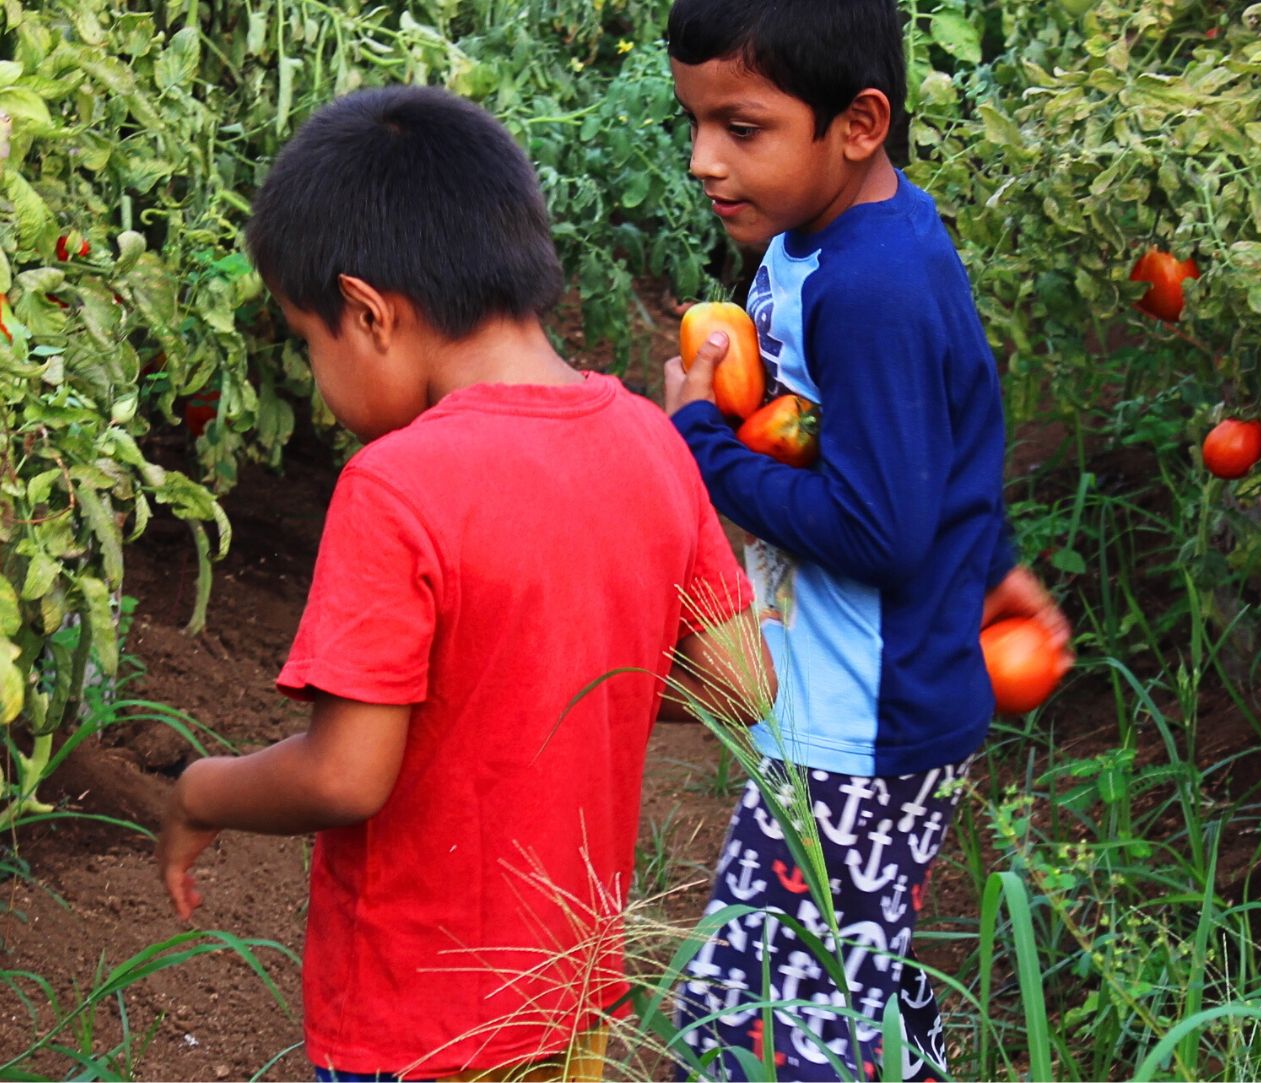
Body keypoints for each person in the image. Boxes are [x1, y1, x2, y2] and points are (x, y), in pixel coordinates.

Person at [153, 85, 772, 1082]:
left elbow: (344, 776)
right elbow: (741, 685)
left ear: (365, 311)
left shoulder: (397, 484)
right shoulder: (648, 446)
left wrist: (201, 791)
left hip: (416, 1028)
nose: (318, 375)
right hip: (571, 1002)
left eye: (308, 342)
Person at [656, 1, 1074, 1080]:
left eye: (740, 129)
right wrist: (990, 564)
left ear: (857, 122)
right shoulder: (831, 239)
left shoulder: (869, 287)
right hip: (849, 705)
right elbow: (952, 427)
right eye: (693, 123)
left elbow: (878, 530)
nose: (704, 160)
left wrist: (701, 442)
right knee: (849, 977)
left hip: (858, 727)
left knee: (746, 1026)